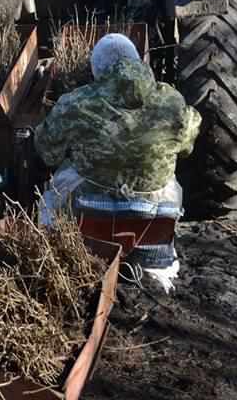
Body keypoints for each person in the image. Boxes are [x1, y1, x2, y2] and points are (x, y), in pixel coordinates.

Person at [34, 33, 201, 291]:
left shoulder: (75, 103)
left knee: (53, 193)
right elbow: (188, 145)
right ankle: (155, 269)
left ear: (96, 69)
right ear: (137, 60)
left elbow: (47, 152)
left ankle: (54, 252)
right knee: (171, 182)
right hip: (154, 221)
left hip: (89, 215)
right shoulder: (172, 101)